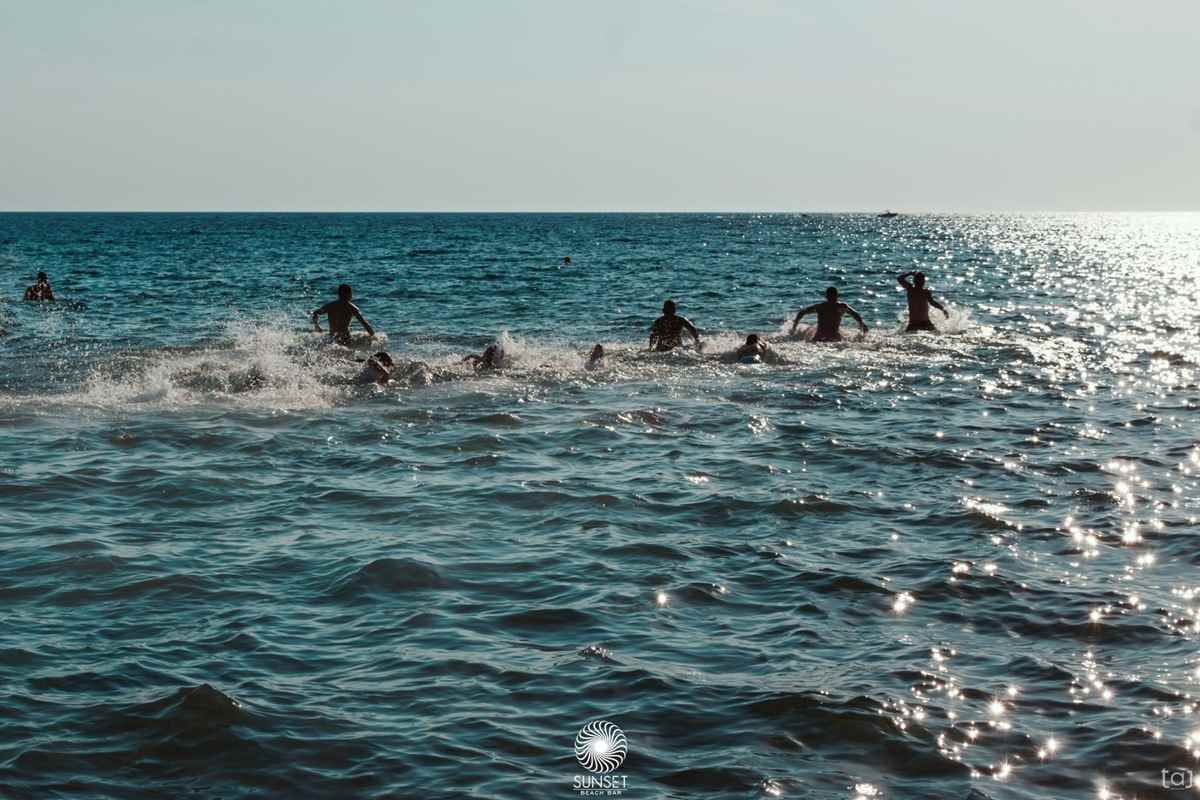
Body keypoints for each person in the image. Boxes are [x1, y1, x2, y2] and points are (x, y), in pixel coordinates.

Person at [790, 287, 868, 342]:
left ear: (826, 296)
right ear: (837, 296)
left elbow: (802, 312)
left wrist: (794, 327)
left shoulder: (820, 307)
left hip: (819, 338)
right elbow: (856, 315)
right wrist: (862, 326)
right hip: (834, 338)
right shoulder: (841, 307)